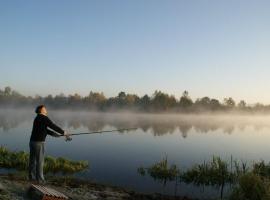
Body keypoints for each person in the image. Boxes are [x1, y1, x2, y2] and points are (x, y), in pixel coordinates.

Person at [29, 105, 69, 183]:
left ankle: (31, 177)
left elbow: (45, 130)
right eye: (44, 108)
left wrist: (55, 134)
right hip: (39, 143)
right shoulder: (44, 117)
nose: (46, 109)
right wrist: (64, 132)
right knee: (40, 162)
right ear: (41, 110)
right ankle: (40, 180)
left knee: (32, 161)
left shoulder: (37, 118)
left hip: (32, 142)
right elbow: (53, 126)